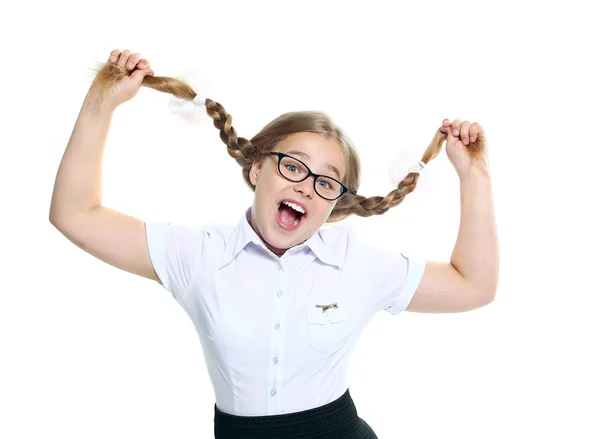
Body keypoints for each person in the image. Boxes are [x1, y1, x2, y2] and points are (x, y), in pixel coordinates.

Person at [49, 49, 499, 439]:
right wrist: (102, 101)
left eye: (327, 181)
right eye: (294, 166)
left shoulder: (357, 262)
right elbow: (75, 215)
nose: (307, 187)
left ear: (334, 206)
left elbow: (472, 285)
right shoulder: (200, 256)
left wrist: (473, 173)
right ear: (256, 170)